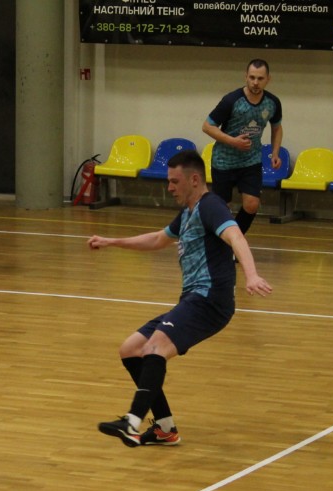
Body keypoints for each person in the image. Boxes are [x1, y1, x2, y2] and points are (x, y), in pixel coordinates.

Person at [88, 150, 272, 447]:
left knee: (154, 348)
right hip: (192, 300)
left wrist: (251, 275)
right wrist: (113, 241)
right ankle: (165, 429)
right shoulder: (188, 212)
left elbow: (236, 236)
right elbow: (158, 239)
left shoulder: (211, 206)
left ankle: (132, 422)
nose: (170, 188)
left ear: (194, 179)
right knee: (131, 349)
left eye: (175, 181)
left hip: (209, 300)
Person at [202, 58, 283, 236]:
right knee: (222, 209)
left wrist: (275, 153)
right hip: (224, 161)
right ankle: (218, 241)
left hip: (251, 161)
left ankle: (234, 240)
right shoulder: (231, 100)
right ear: (245, 76)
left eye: (260, 78)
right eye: (252, 77)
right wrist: (233, 141)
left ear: (268, 79)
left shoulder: (273, 103)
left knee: (252, 204)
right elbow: (207, 126)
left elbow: (277, 128)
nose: (255, 82)